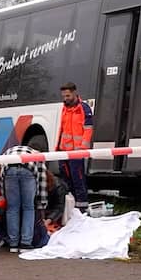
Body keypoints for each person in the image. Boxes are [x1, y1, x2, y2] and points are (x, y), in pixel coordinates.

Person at [1, 144, 46, 253]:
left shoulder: (9, 150)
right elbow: (42, 180)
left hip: (9, 170)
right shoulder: (37, 155)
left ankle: (13, 244)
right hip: (28, 171)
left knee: (12, 209)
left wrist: (4, 195)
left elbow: (2, 173)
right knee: (28, 208)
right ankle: (25, 243)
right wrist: (42, 203)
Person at [56, 82, 92, 210]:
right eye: (64, 96)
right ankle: (71, 207)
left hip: (77, 152)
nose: (65, 99)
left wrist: (82, 148)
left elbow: (88, 130)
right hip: (64, 151)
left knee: (78, 179)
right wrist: (58, 147)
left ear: (75, 93)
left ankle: (81, 207)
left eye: (68, 96)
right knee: (66, 180)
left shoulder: (84, 108)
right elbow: (62, 129)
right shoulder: (65, 108)